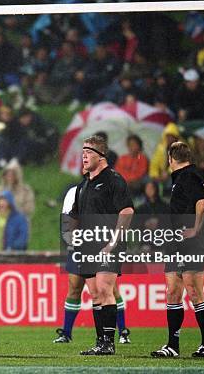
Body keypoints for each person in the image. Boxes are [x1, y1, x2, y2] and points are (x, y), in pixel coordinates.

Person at [69, 135, 134, 355]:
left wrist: (114, 241)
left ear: (101, 157)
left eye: (88, 153)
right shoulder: (84, 184)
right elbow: (75, 216)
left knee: (106, 289)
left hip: (108, 244)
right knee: (95, 294)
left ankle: (108, 343)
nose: (84, 156)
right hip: (87, 245)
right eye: (83, 153)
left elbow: (126, 211)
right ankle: (100, 342)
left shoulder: (114, 180)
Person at [151, 141, 204, 358]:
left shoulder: (189, 176)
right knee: (172, 292)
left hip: (192, 243)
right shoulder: (183, 177)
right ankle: (172, 345)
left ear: (170, 158)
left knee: (194, 290)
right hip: (176, 242)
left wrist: (196, 230)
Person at [54, 181, 131, 345]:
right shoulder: (74, 191)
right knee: (74, 286)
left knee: (107, 289)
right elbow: (67, 218)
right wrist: (71, 242)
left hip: (100, 245)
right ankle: (66, 333)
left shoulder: (108, 187)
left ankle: (122, 331)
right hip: (79, 246)